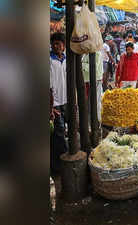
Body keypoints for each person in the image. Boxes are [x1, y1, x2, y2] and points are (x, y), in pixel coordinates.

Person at [50, 32, 68, 176]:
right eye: (56, 43)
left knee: (63, 132)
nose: (58, 46)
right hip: (54, 103)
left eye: (61, 44)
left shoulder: (67, 59)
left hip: (66, 101)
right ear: (52, 45)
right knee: (59, 133)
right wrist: (50, 106)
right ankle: (58, 166)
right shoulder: (49, 60)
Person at [82, 51, 103, 120]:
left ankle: (96, 120)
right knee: (88, 103)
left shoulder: (96, 53)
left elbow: (93, 67)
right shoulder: (85, 54)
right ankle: (89, 121)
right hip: (87, 81)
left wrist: (82, 64)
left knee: (95, 103)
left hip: (95, 81)